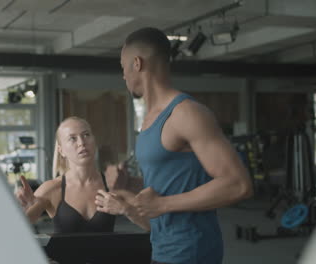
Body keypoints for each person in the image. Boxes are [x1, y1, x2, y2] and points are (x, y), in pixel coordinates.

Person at [98, 27, 253, 264]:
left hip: (192, 251)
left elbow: (238, 184)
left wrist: (162, 204)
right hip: (163, 247)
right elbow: (169, 183)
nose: (123, 76)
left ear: (137, 64)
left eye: (123, 67)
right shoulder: (150, 119)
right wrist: (128, 183)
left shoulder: (186, 114)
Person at [16, 116, 149, 233]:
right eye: (72, 138)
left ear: (94, 140)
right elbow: (17, 227)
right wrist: (23, 211)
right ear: (61, 150)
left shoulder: (112, 185)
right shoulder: (52, 189)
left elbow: (152, 226)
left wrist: (126, 209)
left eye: (86, 135)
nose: (82, 143)